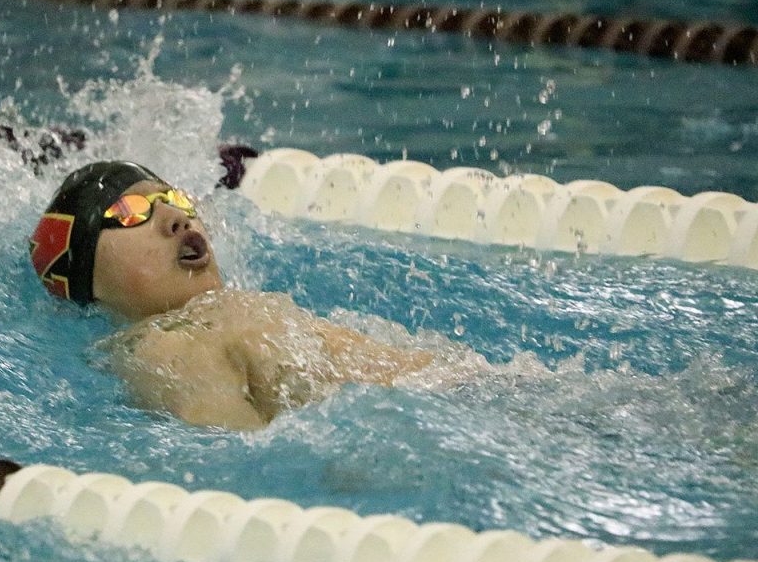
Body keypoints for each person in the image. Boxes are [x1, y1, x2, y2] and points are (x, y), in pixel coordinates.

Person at [30, 160, 460, 430]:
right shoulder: (162, 346)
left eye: (173, 199)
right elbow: (232, 448)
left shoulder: (230, 313)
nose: (176, 217)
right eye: (129, 213)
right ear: (89, 281)